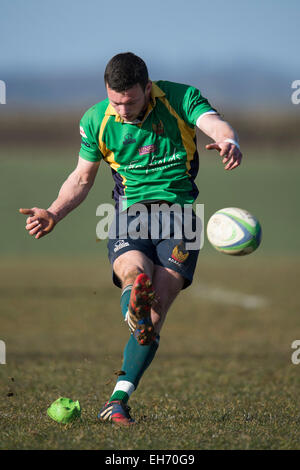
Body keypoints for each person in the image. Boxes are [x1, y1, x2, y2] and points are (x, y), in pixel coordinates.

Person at [20, 52, 242, 426]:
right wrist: (54, 212)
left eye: (131, 100)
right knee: (133, 272)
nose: (122, 109)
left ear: (148, 87)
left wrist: (228, 142)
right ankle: (134, 301)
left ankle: (118, 398)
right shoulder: (97, 120)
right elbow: (80, 178)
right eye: (115, 100)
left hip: (180, 218)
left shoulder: (180, 98)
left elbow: (214, 124)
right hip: (129, 215)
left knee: (155, 316)